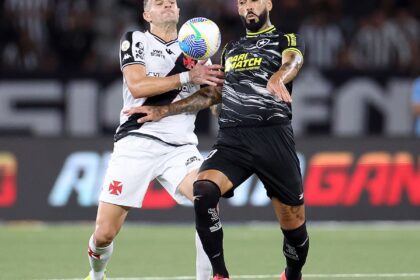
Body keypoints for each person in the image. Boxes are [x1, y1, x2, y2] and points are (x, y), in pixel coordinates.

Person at [125, 0, 309, 279]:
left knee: (293, 223)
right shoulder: (230, 50)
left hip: (273, 137)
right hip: (233, 140)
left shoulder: (286, 39)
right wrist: (164, 110)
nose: (248, 6)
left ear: (268, 4)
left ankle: (292, 273)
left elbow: (293, 61)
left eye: (254, 1)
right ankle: (220, 274)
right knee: (203, 189)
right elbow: (213, 94)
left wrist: (279, 77)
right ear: (237, 9)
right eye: (242, 2)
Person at [84, 0, 224, 279]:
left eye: (171, 1)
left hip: (180, 148)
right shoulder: (135, 40)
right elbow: (137, 86)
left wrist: (208, 96)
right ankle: (97, 275)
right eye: (158, 2)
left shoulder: (197, 49)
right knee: (104, 234)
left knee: (207, 197)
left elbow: (211, 96)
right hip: (136, 140)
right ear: (146, 14)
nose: (167, 4)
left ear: (179, 12)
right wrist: (188, 76)